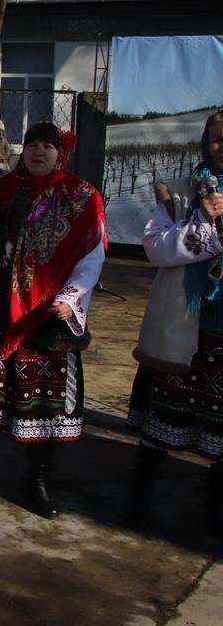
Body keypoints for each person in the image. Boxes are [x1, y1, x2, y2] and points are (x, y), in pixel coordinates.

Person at [0, 121, 106, 520]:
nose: (39, 151)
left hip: (49, 317)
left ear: (61, 152)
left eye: (48, 146)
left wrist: (71, 298)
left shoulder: (81, 197)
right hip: (1, 313)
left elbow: (93, 254)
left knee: (46, 407)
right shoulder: (3, 192)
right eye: (33, 144)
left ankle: (36, 481)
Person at [126, 109, 223, 531]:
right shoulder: (181, 192)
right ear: (206, 142)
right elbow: (155, 248)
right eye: (218, 138)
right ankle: (139, 500)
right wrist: (203, 222)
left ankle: (215, 509)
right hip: (185, 325)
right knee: (161, 423)